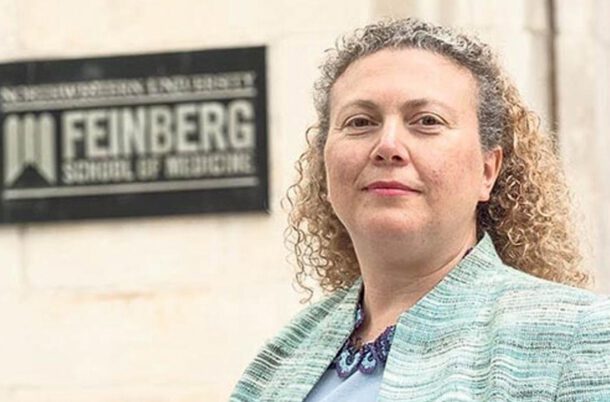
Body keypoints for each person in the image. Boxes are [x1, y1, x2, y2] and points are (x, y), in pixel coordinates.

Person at [230, 18, 610, 401]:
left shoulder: (580, 338)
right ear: (323, 163)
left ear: (487, 171)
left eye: (427, 121)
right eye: (360, 122)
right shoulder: (282, 359)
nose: (388, 145)